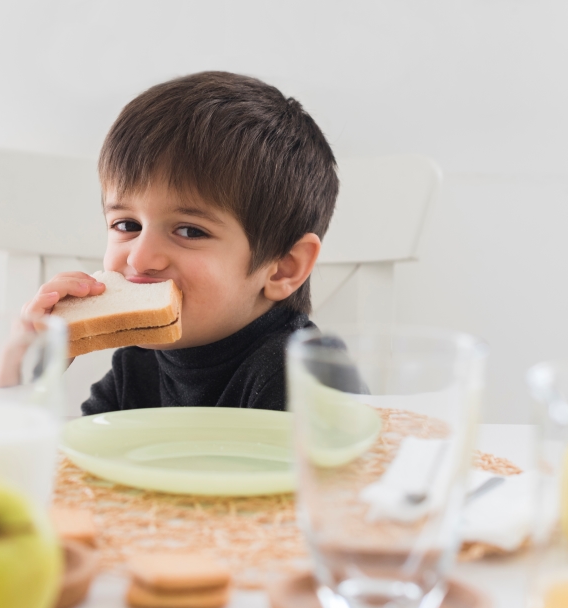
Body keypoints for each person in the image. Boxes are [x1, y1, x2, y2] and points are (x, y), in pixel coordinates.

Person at [20, 71, 339, 414]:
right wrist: (33, 366)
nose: (141, 259)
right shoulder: (136, 366)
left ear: (282, 268)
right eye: (127, 225)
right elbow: (17, 458)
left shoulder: (302, 374)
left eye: (189, 231)